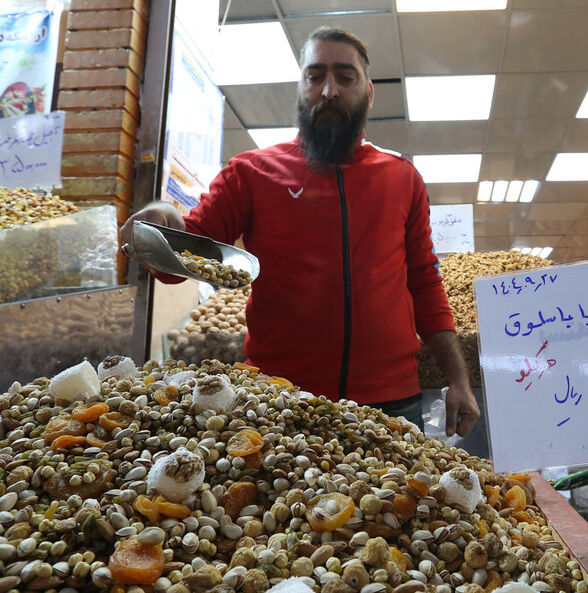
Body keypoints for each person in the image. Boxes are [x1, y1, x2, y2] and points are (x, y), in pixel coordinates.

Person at [122, 26, 481, 439]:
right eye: (315, 76)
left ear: (368, 93)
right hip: (280, 401)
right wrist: (159, 222)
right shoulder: (250, 173)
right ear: (300, 89)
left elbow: (424, 281)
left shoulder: (403, 178)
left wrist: (459, 379)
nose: (329, 90)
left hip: (391, 401)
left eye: (345, 77)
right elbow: (185, 256)